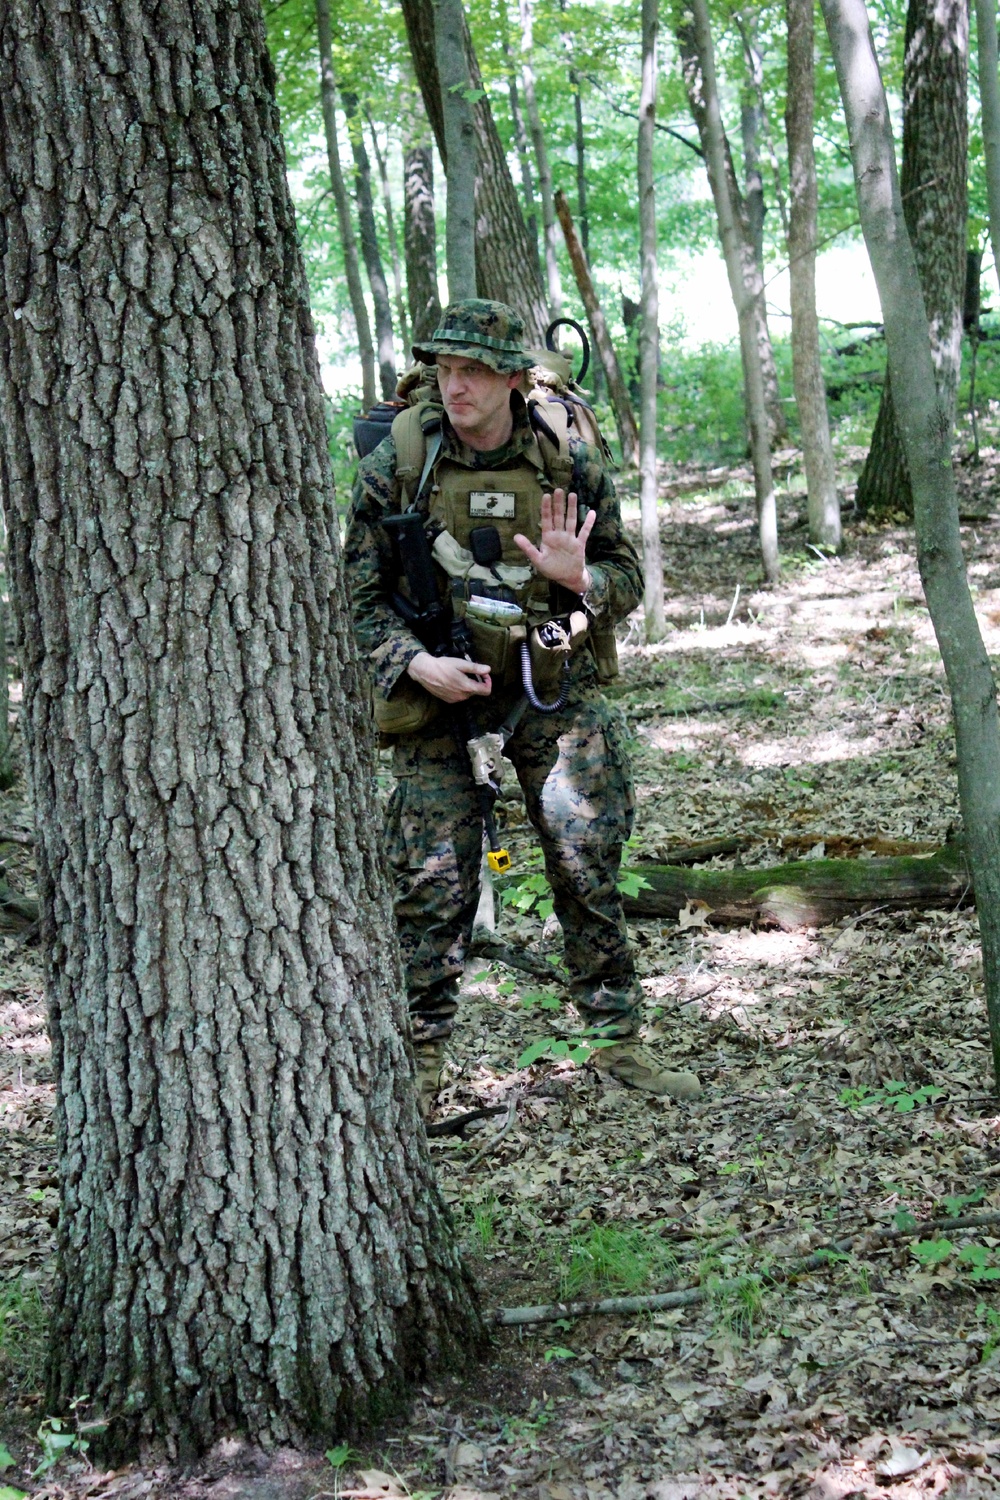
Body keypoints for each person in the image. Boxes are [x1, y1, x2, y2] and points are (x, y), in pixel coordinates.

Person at [344, 299, 701, 1110]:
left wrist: (583, 581)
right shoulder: (397, 461)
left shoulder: (565, 458)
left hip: (549, 678)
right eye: (444, 369)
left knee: (586, 857)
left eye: (473, 370)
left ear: (511, 377)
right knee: (431, 881)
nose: (455, 385)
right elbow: (354, 599)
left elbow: (627, 577)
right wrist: (415, 663)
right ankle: (420, 1061)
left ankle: (617, 1044)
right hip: (438, 685)